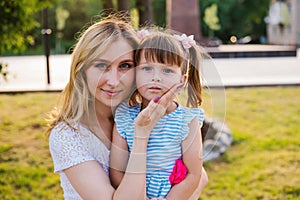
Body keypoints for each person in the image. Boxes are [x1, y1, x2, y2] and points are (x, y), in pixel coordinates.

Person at [46, 16, 207, 200]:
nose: (114, 81)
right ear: (81, 70)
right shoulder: (67, 136)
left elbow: (199, 176)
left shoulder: (147, 115)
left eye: (125, 66)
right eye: (101, 65)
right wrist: (141, 134)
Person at [110, 30, 206, 199]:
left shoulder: (187, 121)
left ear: (182, 80)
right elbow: (117, 171)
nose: (156, 78)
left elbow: (194, 174)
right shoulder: (124, 118)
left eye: (167, 71)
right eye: (147, 68)